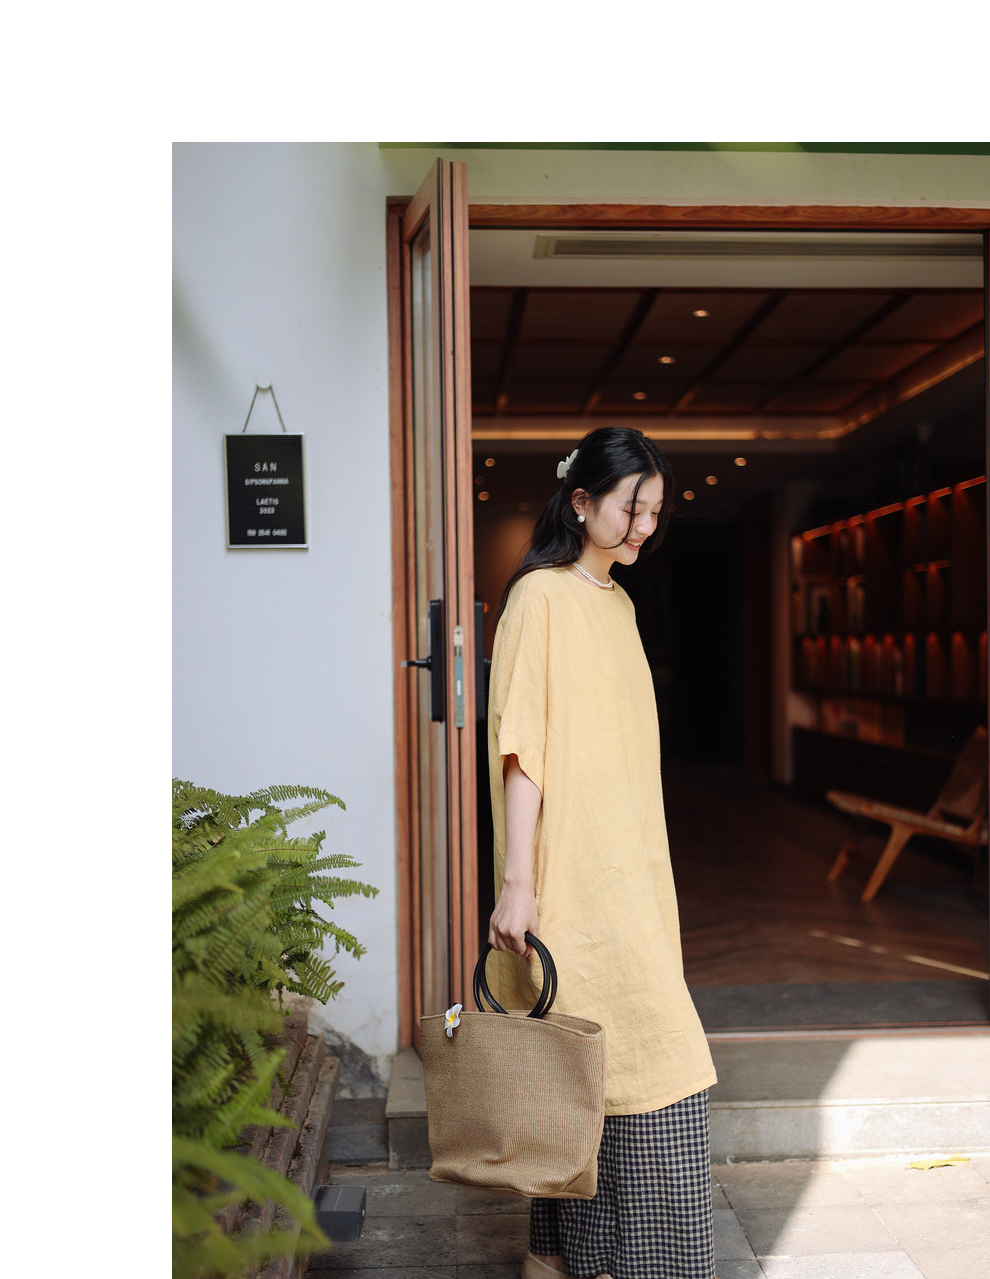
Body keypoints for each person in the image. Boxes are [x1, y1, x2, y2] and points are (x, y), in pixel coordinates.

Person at [486, 427, 717, 1279]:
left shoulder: (616, 603)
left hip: (632, 875)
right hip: (573, 880)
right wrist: (518, 883)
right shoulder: (539, 598)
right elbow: (522, 750)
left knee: (588, 1068)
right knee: (643, 1061)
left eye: (655, 511)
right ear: (580, 500)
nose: (644, 526)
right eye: (631, 507)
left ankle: (556, 1256)